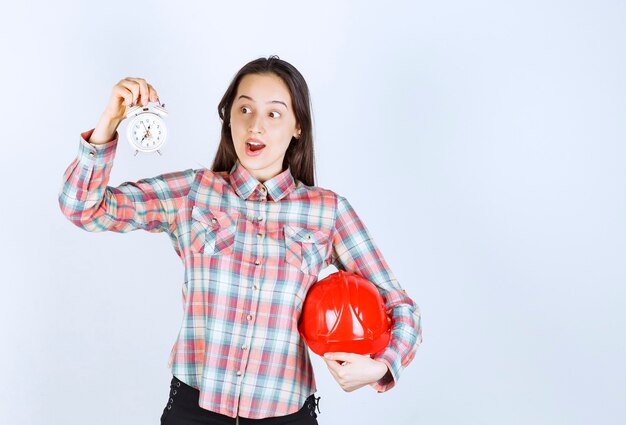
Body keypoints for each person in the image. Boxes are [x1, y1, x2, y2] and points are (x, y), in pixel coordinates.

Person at [58, 55, 423, 424]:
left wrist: (381, 368)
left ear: (298, 126)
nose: (255, 126)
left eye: (274, 114)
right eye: (244, 109)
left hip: (286, 414)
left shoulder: (327, 212)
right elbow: (82, 208)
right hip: (193, 410)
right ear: (228, 117)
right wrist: (109, 122)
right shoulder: (192, 193)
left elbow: (402, 308)